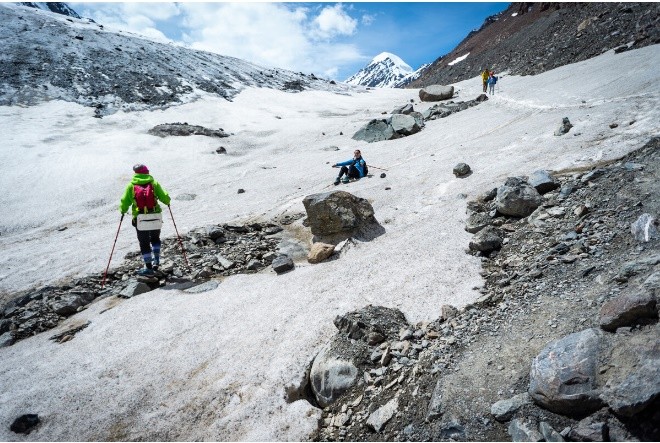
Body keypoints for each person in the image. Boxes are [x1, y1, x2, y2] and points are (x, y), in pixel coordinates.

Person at [119, 164, 171, 277]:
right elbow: (164, 197)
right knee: (155, 238)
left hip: (140, 218)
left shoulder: (131, 186)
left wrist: (122, 211)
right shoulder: (154, 183)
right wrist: (168, 202)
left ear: (135, 173)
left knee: (144, 242)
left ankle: (148, 267)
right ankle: (156, 261)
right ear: (147, 172)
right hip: (155, 216)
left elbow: (124, 202)